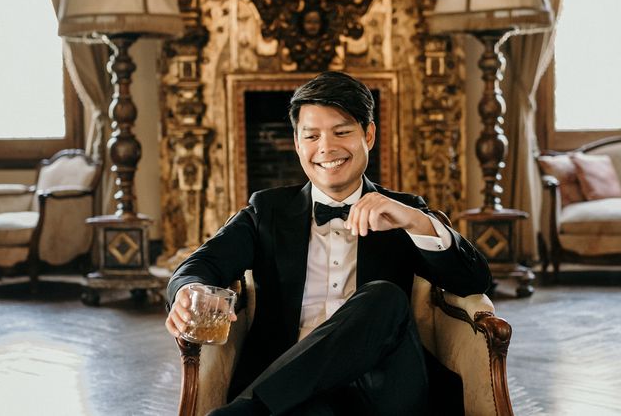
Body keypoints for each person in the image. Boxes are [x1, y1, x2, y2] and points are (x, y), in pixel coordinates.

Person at [165, 71, 492, 415]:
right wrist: (187, 291)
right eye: (312, 136)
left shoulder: (403, 212)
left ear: (368, 134)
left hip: (384, 389)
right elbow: (199, 266)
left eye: (341, 131)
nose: (326, 148)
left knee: (386, 296)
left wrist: (416, 220)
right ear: (297, 144)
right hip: (294, 392)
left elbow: (474, 280)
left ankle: (248, 412)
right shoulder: (267, 211)